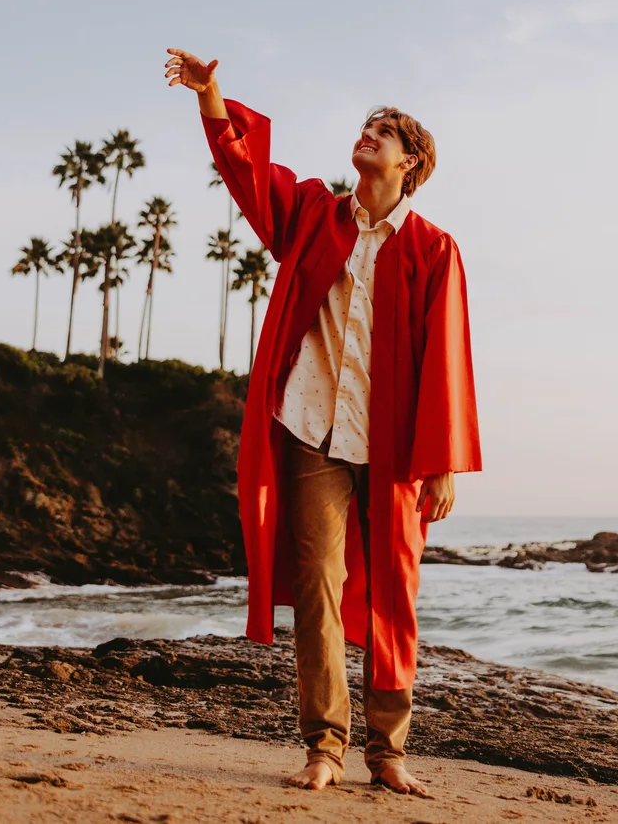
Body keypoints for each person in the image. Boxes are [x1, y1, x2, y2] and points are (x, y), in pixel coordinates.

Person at [165, 49, 481, 796]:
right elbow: (248, 175)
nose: (370, 133)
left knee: (395, 591)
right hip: (313, 430)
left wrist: (442, 461)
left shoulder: (434, 248)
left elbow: (448, 358)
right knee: (317, 582)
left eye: (387, 131)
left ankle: (389, 750)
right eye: (367, 124)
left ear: (412, 163)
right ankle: (324, 745)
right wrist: (212, 97)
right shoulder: (312, 214)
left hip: (396, 445)